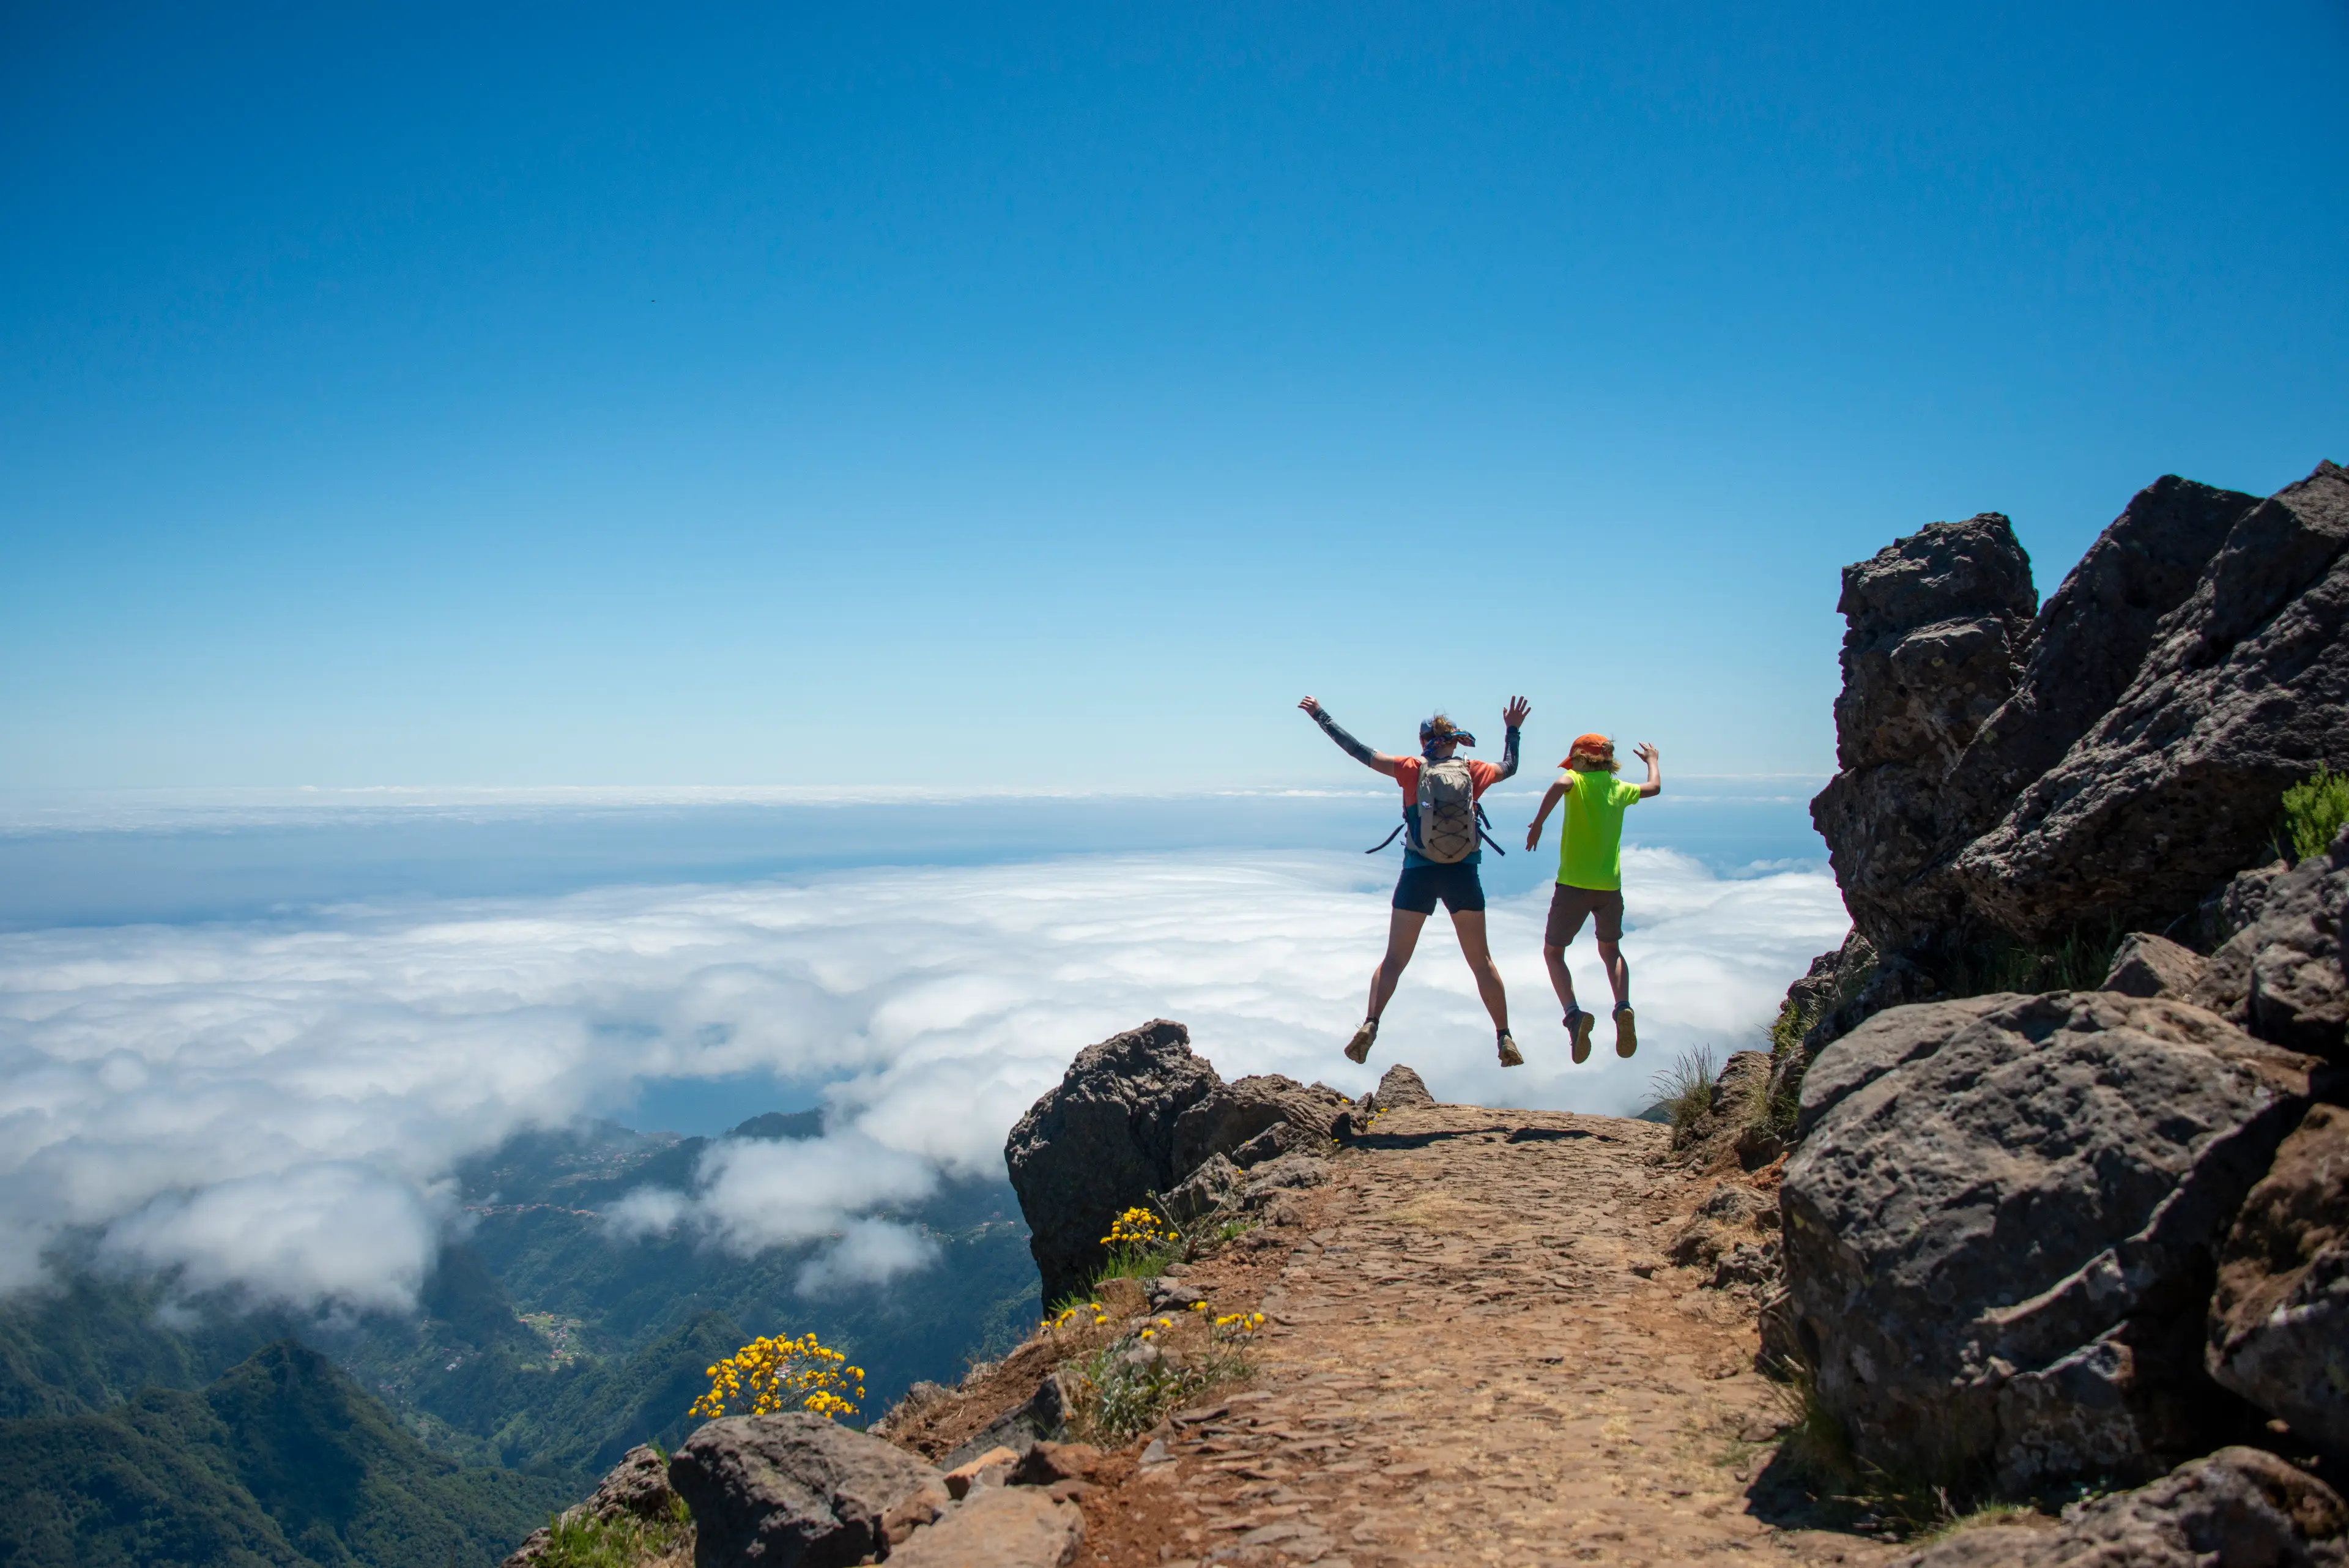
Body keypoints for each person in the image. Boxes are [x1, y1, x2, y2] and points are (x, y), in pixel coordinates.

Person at [1297, 694, 1530, 1068]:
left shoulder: (1411, 768)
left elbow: (1358, 750)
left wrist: (1320, 715)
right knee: (1481, 962)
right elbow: (1511, 766)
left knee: (1394, 960)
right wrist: (1513, 730)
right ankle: (1504, 1037)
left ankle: (1371, 1024)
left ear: (1424, 742)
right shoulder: (1475, 772)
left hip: (1418, 873)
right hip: (1463, 875)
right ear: (1455, 741)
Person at [1524, 734, 1660, 1063]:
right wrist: (1653, 760)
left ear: (1582, 760)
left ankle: (1574, 1016)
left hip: (1573, 885)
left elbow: (1559, 784)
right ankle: (1623, 1007)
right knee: (1611, 949)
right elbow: (1653, 788)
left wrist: (1538, 824)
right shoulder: (1619, 789)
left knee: (1554, 953)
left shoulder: (1576, 780)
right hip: (1609, 887)